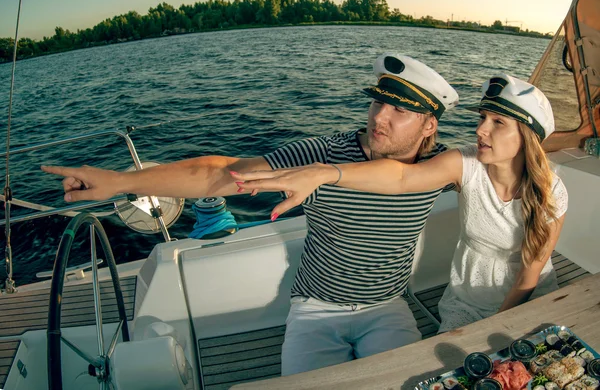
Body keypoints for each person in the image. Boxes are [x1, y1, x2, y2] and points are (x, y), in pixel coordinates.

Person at [41, 53, 459, 374]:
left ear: (429, 127)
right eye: (377, 103)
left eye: (399, 110)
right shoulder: (321, 153)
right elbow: (221, 175)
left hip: (387, 306)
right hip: (315, 309)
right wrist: (120, 181)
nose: (378, 117)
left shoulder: (440, 168)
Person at [233, 73, 568, 333]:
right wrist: (326, 173)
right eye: (482, 118)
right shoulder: (466, 163)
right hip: (467, 297)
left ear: (526, 138)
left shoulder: (552, 192)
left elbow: (529, 276)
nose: (480, 130)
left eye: (497, 123)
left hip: (526, 295)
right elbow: (401, 178)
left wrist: (498, 324)